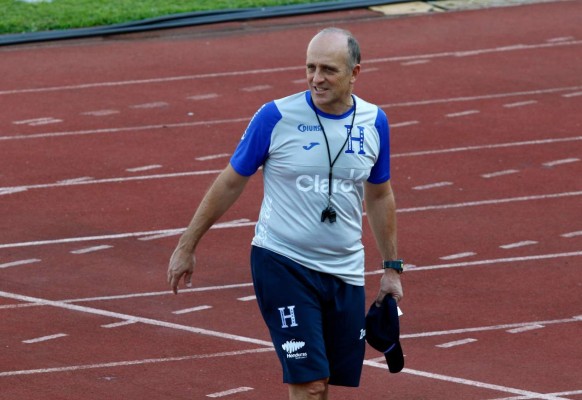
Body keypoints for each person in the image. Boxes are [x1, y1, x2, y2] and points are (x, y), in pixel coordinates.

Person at [167, 27, 403, 400]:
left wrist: (391, 268)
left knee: (324, 384)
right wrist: (187, 244)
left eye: (328, 69)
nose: (315, 78)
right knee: (309, 383)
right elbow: (230, 182)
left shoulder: (375, 122)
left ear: (355, 73)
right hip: (283, 262)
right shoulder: (275, 116)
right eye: (310, 67)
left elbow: (379, 195)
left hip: (345, 270)